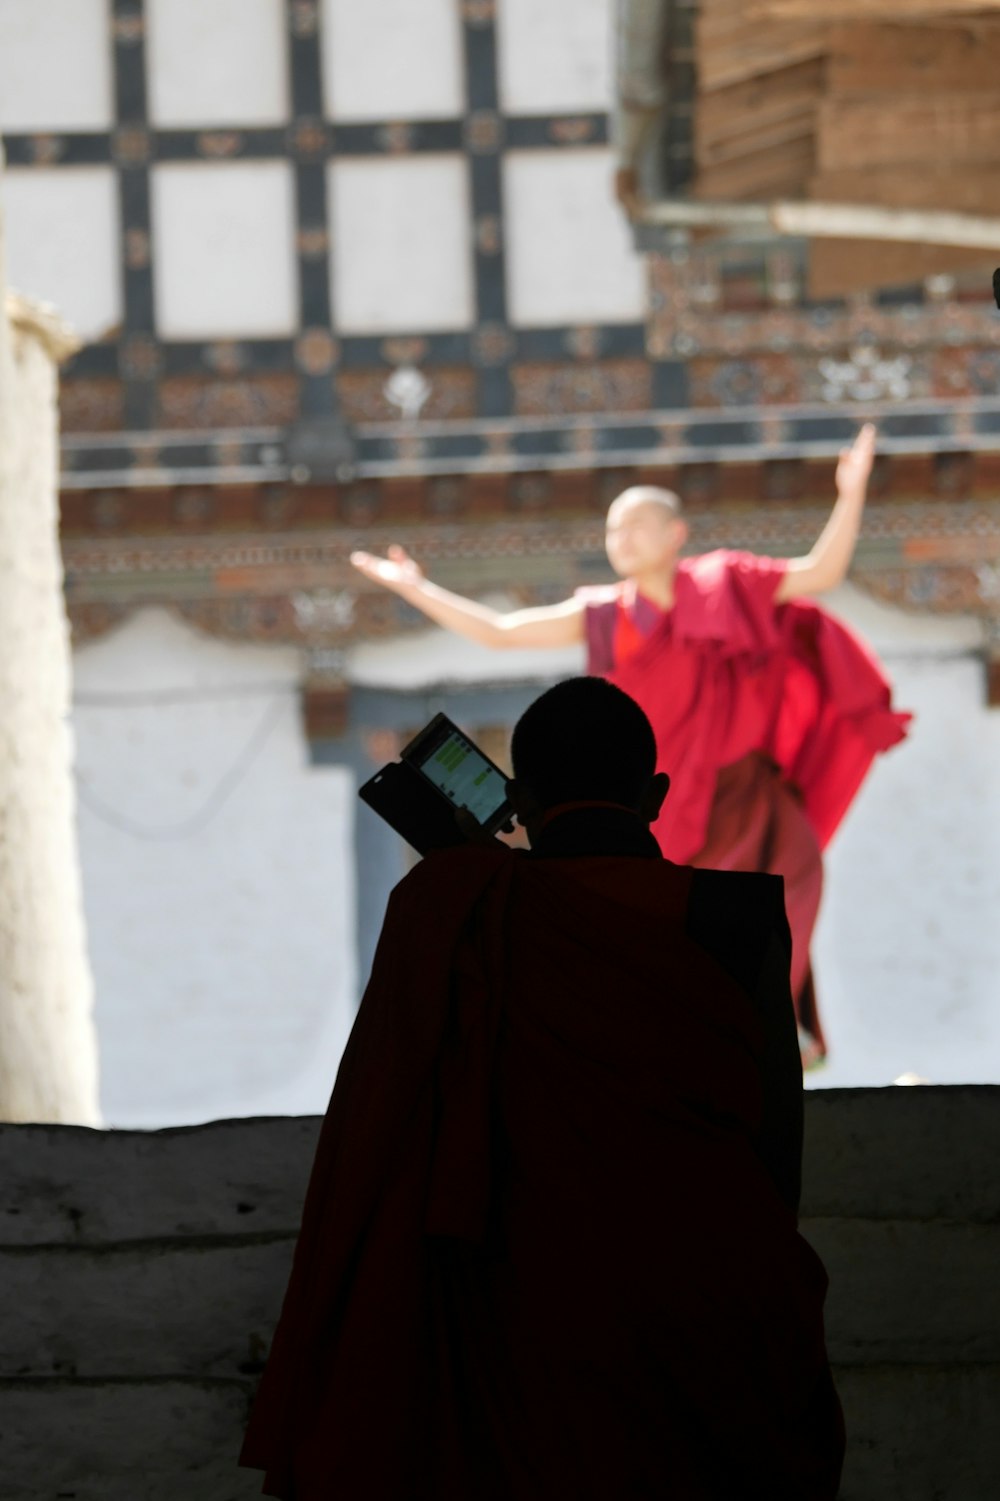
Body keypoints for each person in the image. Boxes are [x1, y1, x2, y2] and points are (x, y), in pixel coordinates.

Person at [240, 678, 845, 1501]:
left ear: (519, 799)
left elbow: (377, 1130)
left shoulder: (453, 906)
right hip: (708, 1304)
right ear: (657, 796)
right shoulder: (738, 916)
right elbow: (778, 1150)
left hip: (517, 1315)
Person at [350, 425, 911, 1065]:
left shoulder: (727, 584)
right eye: (613, 531)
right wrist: (414, 587)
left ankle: (770, 1029)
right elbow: (503, 633)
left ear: (676, 533)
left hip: (741, 793)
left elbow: (821, 572)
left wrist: (851, 490)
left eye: (635, 526)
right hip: (659, 809)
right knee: (661, 933)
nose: (621, 541)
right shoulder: (607, 614)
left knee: (788, 887)